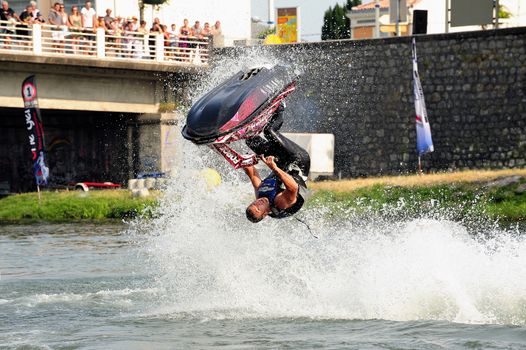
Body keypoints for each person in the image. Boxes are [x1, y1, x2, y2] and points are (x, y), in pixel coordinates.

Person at [243, 106, 310, 223]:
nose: (258, 202)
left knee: (250, 139)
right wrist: (273, 167)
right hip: (298, 160)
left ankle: (248, 116)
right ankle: (280, 107)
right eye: (258, 208)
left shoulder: (260, 194)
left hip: (281, 160)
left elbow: (252, 174)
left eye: (254, 203)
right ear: (264, 214)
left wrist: (244, 160)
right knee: (269, 131)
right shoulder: (281, 203)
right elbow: (293, 187)